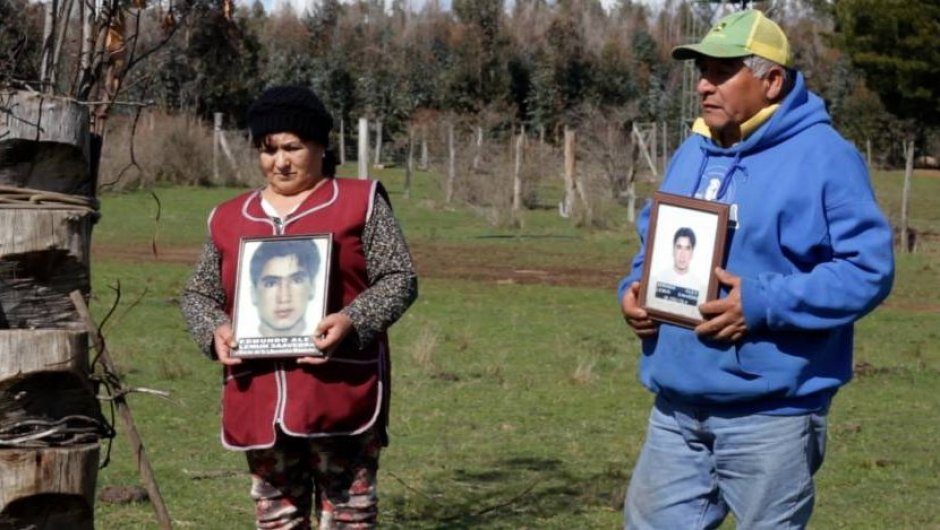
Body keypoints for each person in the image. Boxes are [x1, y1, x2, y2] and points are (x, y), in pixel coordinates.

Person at [618, 9, 894, 529]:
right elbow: (650, 244)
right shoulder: (692, 151)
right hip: (676, 411)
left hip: (772, 416)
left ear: (771, 81)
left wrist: (763, 303)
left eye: (722, 72)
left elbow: (868, 270)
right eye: (701, 72)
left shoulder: (825, 158)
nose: (703, 85)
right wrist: (633, 292)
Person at [181, 85, 418, 530]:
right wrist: (214, 329)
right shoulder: (230, 217)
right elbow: (198, 294)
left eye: (293, 147)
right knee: (278, 520)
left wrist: (352, 319)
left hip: (339, 392)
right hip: (259, 397)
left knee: (349, 518)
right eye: (268, 150)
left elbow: (400, 278)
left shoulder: (360, 203)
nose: (280, 162)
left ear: (320, 146)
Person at [248, 239, 320, 337]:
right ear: (253, 294)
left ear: (312, 287)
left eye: (297, 280)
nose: (284, 298)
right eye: (271, 283)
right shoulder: (237, 342)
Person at [651, 227, 705, 317]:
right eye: (679, 247)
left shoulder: (700, 288)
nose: (682, 254)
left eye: (687, 248)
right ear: (673, 250)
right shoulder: (656, 280)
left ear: (692, 253)